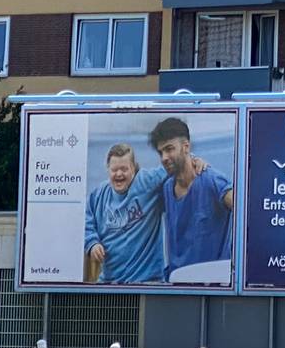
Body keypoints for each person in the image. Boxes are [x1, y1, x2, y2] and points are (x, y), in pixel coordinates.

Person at [152, 116, 235, 279]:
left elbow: (247, 211)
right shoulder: (167, 187)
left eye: (169, 149)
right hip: (178, 283)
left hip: (213, 285)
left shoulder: (212, 180)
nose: (164, 158)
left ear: (186, 147)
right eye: (160, 152)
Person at [84, 143, 168, 285]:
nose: (119, 174)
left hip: (148, 283)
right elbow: (85, 223)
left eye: (124, 169)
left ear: (133, 169)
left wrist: (194, 161)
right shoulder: (98, 195)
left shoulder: (146, 182)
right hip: (110, 282)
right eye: (114, 169)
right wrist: (92, 243)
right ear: (108, 170)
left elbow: (175, 165)